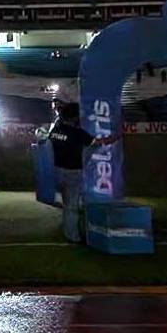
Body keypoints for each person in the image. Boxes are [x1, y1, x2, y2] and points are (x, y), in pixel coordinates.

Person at [47, 102, 118, 243]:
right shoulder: (77, 133)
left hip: (56, 171)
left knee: (68, 204)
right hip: (73, 173)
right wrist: (117, 136)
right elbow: (99, 142)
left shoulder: (55, 130)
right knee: (71, 206)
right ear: (75, 117)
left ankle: (69, 230)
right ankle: (72, 236)